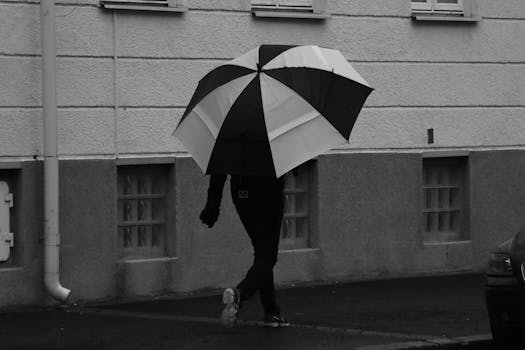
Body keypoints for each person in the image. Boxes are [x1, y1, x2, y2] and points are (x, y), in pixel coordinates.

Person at [199, 173, 290, 328]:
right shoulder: (272, 148)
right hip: (269, 193)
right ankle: (239, 294)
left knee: (262, 253)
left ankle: (271, 311)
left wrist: (213, 202)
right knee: (268, 256)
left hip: (241, 194)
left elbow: (219, 168)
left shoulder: (234, 148)